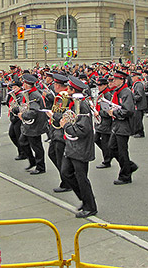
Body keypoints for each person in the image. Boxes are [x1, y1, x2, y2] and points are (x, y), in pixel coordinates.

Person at [60, 76, 98, 218]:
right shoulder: (72, 104)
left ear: (74, 90)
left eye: (69, 89)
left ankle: (90, 206)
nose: (66, 91)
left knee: (82, 177)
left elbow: (83, 130)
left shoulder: (82, 105)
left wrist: (66, 125)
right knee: (66, 172)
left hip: (80, 147)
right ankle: (84, 198)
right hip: (72, 146)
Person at [107, 70, 137, 185]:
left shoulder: (126, 92)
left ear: (122, 80)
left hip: (123, 125)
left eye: (115, 79)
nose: (113, 81)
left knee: (122, 151)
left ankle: (125, 175)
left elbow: (128, 110)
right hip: (117, 125)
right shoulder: (118, 91)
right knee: (112, 148)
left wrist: (114, 113)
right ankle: (129, 166)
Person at [46, 73, 72, 193]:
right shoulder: (59, 96)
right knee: (52, 154)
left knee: (59, 156)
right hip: (56, 131)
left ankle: (67, 181)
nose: (54, 86)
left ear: (57, 85)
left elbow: (64, 115)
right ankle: (67, 178)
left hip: (61, 132)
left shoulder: (65, 96)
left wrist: (53, 116)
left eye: (55, 84)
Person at [18, 74, 48, 175]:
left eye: (24, 83)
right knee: (22, 142)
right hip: (29, 125)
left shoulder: (34, 95)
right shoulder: (30, 93)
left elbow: (34, 111)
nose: (23, 84)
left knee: (37, 146)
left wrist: (23, 114)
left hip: (35, 125)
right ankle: (33, 161)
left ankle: (40, 166)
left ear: (27, 85)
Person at [93, 76, 113, 169]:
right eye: (98, 85)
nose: (99, 87)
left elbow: (108, 111)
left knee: (105, 142)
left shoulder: (107, 95)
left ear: (106, 85)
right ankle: (109, 153)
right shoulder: (102, 94)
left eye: (101, 85)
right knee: (96, 139)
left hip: (105, 122)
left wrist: (99, 112)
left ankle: (107, 160)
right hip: (100, 122)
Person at [131, 70, 147, 138]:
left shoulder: (138, 84)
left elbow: (139, 96)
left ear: (137, 77)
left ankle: (140, 132)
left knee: (138, 120)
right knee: (136, 119)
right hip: (138, 105)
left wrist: (132, 97)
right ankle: (136, 131)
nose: (132, 78)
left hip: (139, 105)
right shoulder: (136, 84)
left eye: (133, 76)